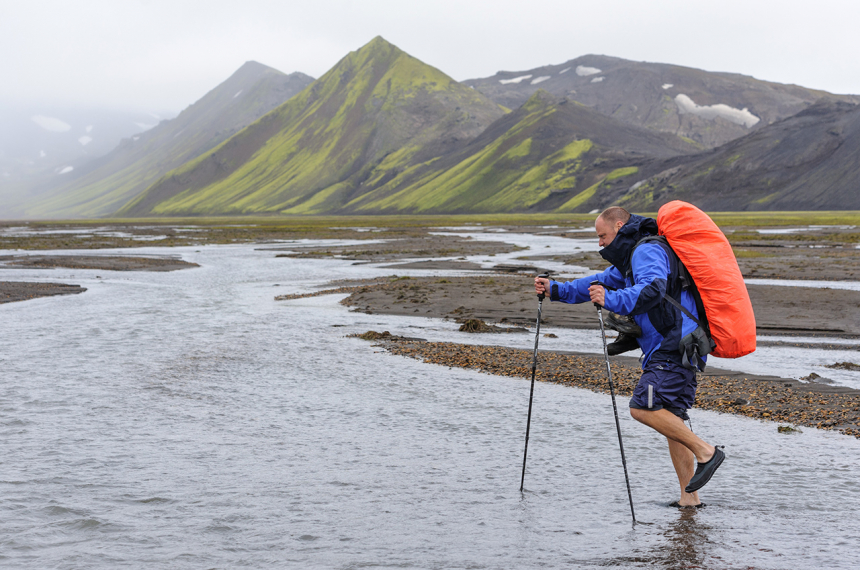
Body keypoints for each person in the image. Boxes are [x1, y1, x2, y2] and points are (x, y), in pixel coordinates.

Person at [534, 206, 724, 508]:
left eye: (602, 236)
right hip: (677, 346)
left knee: (643, 407)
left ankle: (708, 453)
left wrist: (612, 301)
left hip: (672, 346)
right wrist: (556, 290)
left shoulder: (647, 251)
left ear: (619, 226)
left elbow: (653, 289)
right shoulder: (631, 258)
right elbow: (598, 282)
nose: (600, 244)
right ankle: (690, 501)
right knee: (672, 421)